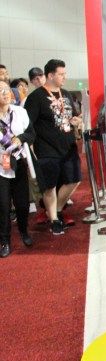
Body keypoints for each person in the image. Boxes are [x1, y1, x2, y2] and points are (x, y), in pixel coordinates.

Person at [24, 59, 82, 235]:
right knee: (49, 186)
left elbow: (71, 116)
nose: (65, 77)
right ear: (50, 75)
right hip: (47, 148)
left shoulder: (66, 94)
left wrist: (75, 121)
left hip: (68, 145)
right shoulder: (36, 97)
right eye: (61, 74)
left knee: (74, 179)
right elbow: (28, 125)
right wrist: (30, 149)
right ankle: (55, 220)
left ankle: (56, 210)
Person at [0, 80, 35, 257]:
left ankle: (23, 231)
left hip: (18, 162)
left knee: (22, 204)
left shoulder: (20, 112)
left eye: (6, 90)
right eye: (0, 91)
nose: (5, 93)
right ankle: (5, 241)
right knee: (3, 206)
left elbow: (31, 134)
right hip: (1, 166)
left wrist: (21, 138)